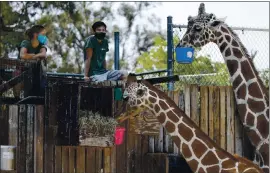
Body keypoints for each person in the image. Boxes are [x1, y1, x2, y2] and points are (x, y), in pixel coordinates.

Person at [13, 25, 48, 98]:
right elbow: (22, 55)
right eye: (43, 34)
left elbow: (43, 54)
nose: (45, 37)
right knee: (17, 76)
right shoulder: (26, 43)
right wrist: (35, 56)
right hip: (21, 73)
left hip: (35, 75)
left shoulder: (41, 45)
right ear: (35, 34)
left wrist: (33, 56)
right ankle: (16, 99)